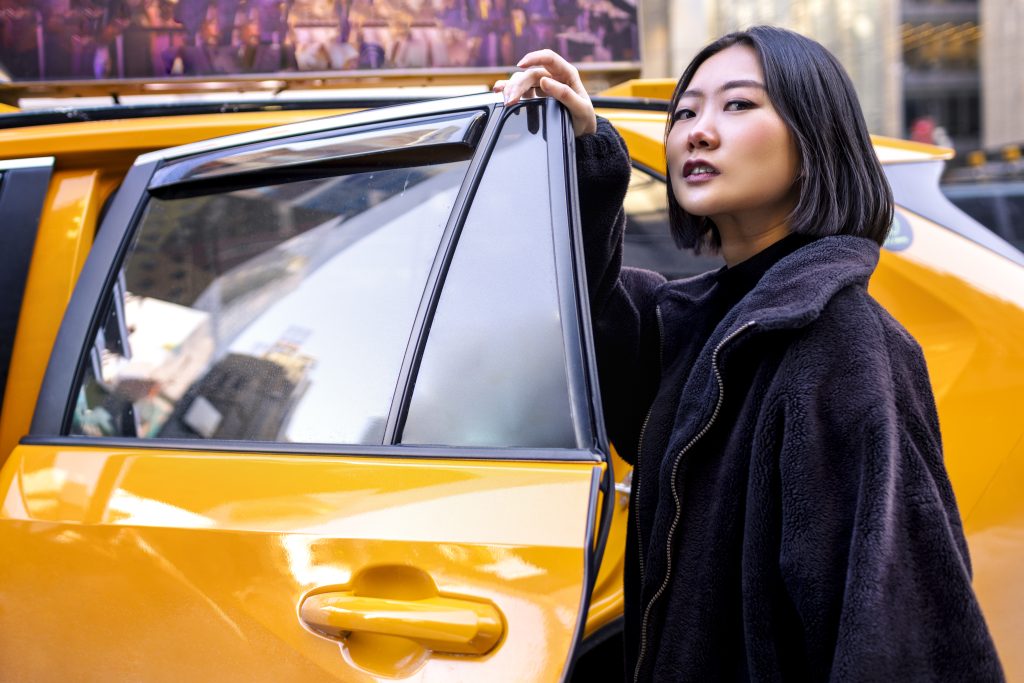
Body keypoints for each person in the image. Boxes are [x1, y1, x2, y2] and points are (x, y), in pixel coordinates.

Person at [495, 26, 1004, 682]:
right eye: (685, 112)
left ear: (816, 136)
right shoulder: (702, 326)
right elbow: (595, 326)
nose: (698, 132)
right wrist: (588, 153)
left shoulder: (843, 346)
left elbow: (894, 631)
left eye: (738, 105)